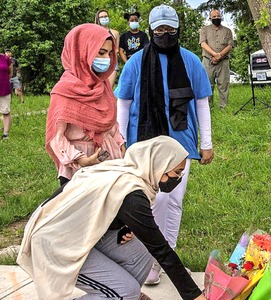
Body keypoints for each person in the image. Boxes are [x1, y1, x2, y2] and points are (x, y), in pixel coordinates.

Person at [17, 136, 218, 300]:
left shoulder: (130, 171)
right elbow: (162, 250)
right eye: (177, 172)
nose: (178, 178)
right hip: (56, 243)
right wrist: (194, 295)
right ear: (158, 165)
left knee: (141, 255)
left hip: (80, 234)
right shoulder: (131, 192)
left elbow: (99, 208)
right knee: (125, 293)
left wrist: (123, 224)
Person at [116, 4, 214, 285]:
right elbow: (123, 104)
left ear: (178, 30)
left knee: (173, 200)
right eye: (159, 29)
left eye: (170, 29)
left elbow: (202, 103)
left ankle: (165, 255)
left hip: (180, 145)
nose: (165, 34)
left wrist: (206, 143)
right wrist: (121, 142)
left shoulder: (191, 61)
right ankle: (149, 259)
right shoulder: (135, 63)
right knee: (151, 200)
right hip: (143, 146)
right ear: (151, 30)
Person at [45, 24, 126, 187]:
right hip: (77, 168)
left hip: (108, 162)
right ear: (82, 51)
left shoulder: (103, 86)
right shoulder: (64, 91)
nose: (107, 59)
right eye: (101, 53)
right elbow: (56, 137)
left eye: (110, 54)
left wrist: (121, 144)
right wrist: (83, 160)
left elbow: (111, 123)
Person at [199, 9, 234, 110]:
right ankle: (208, 108)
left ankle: (224, 108)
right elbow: (203, 43)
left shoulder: (227, 31)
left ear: (221, 17)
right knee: (207, 85)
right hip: (208, 61)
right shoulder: (204, 30)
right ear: (210, 18)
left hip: (223, 62)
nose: (216, 18)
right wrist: (214, 54)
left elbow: (230, 45)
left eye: (218, 16)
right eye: (214, 16)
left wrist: (220, 56)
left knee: (223, 85)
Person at [95, 9, 120, 87]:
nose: (104, 18)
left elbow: (117, 49)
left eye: (105, 16)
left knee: (109, 87)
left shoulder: (115, 33)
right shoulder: (94, 32)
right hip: (98, 62)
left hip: (112, 62)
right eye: (101, 17)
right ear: (98, 19)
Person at [0, 49, 12, 139]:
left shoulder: (5, 58)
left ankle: (5, 134)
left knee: (5, 111)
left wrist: (5, 80)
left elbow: (10, 72)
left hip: (4, 89)